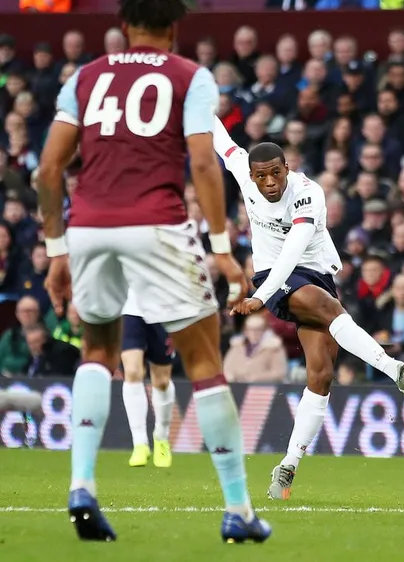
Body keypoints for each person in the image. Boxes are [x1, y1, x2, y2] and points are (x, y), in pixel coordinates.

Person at [37, 0, 270, 543]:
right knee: (204, 358)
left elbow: (49, 169)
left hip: (89, 227)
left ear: (124, 27)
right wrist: (221, 247)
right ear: (173, 28)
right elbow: (205, 162)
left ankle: (82, 485)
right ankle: (238, 508)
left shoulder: (86, 77)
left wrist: (56, 250)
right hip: (158, 224)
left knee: (97, 351)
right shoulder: (190, 76)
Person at [213, 118, 404, 501]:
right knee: (326, 309)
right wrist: (192, 95)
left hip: (310, 273)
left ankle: (287, 467)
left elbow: (298, 247)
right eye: (261, 176)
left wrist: (259, 298)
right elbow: (221, 139)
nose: (269, 183)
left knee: (322, 374)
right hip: (274, 275)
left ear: (288, 168)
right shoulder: (242, 169)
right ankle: (396, 370)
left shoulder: (307, 192)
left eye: (276, 174)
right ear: (250, 174)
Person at [120, 290, 176, 469]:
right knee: (132, 371)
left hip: (163, 309)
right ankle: (139, 443)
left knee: (161, 380)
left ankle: (161, 437)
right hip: (130, 309)